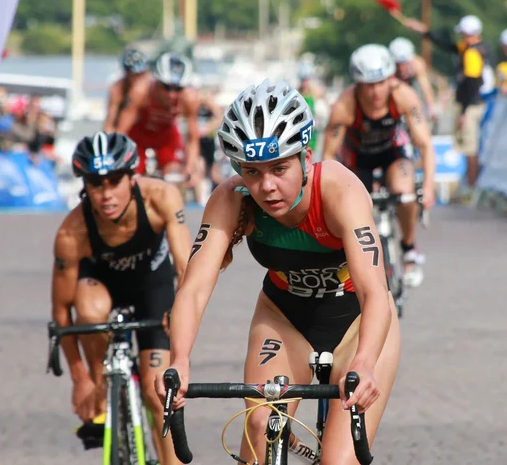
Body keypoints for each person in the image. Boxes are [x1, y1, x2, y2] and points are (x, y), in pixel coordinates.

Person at [156, 79, 401, 464]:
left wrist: (365, 364)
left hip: (357, 321)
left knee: (338, 461)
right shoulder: (232, 199)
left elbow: (374, 292)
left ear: (306, 157)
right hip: (285, 316)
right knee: (258, 430)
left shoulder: (338, 190)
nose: (266, 186)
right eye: (251, 172)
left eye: (279, 168)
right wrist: (180, 360)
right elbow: (194, 288)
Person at [51, 131, 192, 465]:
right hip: (101, 290)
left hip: (153, 290)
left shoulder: (161, 198)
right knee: (87, 308)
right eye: (96, 184)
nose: (106, 194)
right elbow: (60, 313)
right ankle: (103, 385)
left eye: (115, 181)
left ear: (133, 176)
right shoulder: (72, 232)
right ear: (85, 185)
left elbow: (187, 271)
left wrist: (182, 318)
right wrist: (81, 379)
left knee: (157, 394)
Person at [322, 44, 435, 288]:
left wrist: (427, 187)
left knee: (405, 194)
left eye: (381, 83)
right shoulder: (345, 105)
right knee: (351, 205)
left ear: (390, 79)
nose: (375, 92)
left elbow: (425, 145)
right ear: (358, 84)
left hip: (391, 152)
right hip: (356, 157)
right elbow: (329, 156)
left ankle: (408, 248)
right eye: (368, 85)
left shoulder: (403, 95)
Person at [403, 14, 492, 194]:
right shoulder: (469, 49)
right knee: (467, 146)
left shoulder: (473, 53)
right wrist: (424, 32)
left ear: (469, 34)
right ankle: (469, 184)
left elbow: (472, 84)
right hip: (470, 104)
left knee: (470, 148)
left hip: (471, 105)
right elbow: (447, 46)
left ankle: (472, 187)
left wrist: (465, 112)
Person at [108, 52, 200, 183]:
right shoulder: (141, 90)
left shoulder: (189, 98)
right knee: (132, 176)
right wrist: (116, 157)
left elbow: (193, 138)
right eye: (166, 87)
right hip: (139, 137)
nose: (172, 95)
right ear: (156, 81)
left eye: (178, 89)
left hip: (166, 138)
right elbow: (122, 130)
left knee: (173, 176)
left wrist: (190, 167)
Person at [388, 37, 437, 124]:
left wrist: (431, 109)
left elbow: (426, 88)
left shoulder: (417, 64)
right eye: (398, 64)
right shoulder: (388, 68)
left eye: (404, 63)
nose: (401, 68)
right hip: (395, 89)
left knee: (415, 111)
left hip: (412, 89)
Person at [103, 48, 151, 132]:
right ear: (127, 73)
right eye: (135, 75)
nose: (139, 78)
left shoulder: (155, 87)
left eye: (142, 74)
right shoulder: (117, 89)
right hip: (126, 131)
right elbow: (110, 122)